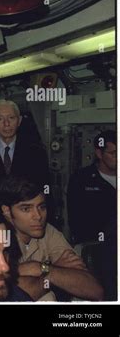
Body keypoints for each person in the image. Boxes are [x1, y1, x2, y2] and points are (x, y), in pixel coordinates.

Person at [0, 175, 104, 301]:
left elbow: (95, 290)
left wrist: (40, 268)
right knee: (47, 297)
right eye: (26, 209)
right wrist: (53, 272)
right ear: (7, 212)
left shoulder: (47, 231)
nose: (38, 216)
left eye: (42, 207)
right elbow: (9, 299)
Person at [0, 99, 49, 216]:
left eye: (11, 118)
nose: (6, 124)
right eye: (0, 119)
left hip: (25, 219)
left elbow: (43, 189)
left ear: (19, 121)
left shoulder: (36, 152)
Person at [67, 129, 116, 300]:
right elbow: (76, 221)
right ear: (99, 153)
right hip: (94, 250)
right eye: (113, 153)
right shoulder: (82, 180)